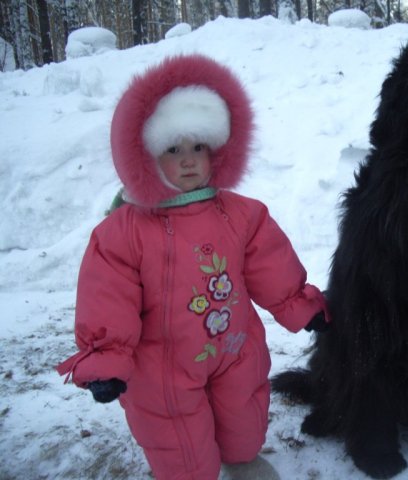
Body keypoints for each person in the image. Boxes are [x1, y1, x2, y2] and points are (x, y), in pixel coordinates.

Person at [56, 54, 329, 480]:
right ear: (143, 155)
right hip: (161, 366)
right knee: (178, 438)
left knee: (243, 413)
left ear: (218, 149)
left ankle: (241, 459)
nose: (188, 161)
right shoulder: (122, 231)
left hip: (235, 348)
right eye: (173, 149)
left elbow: (271, 267)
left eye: (198, 147)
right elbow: (107, 299)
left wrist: (301, 307)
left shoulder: (241, 213)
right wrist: (106, 360)